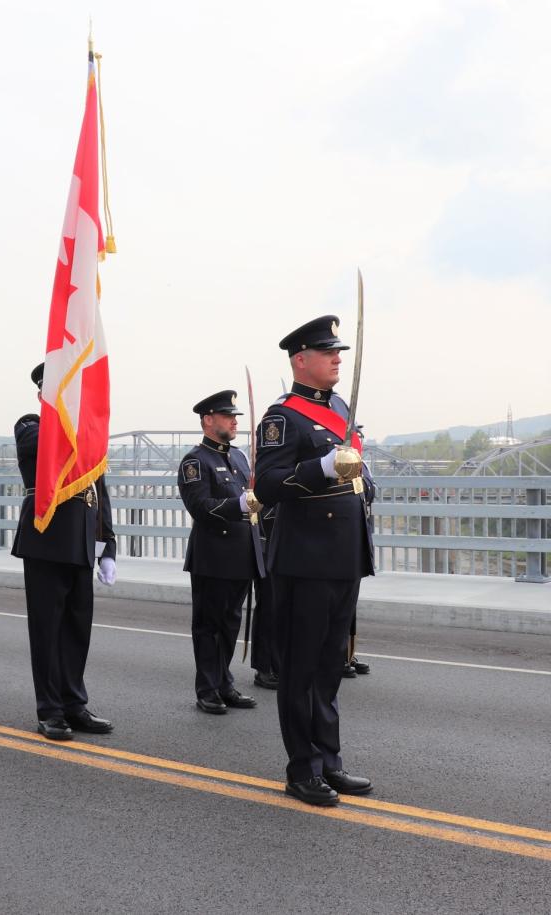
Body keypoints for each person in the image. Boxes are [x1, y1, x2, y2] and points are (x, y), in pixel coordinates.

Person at [253, 315, 375, 807]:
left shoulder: (340, 408)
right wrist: (323, 468)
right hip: (305, 558)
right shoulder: (283, 418)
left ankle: (329, 760)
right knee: (301, 669)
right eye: (328, 353)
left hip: (344, 554)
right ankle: (301, 769)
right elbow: (267, 485)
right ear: (301, 361)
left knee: (330, 667)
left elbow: (354, 472)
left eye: (339, 352)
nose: (338, 359)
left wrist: (362, 476)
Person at [11, 363, 117, 741]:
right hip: (47, 540)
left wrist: (109, 546)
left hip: (82, 543)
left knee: (76, 630)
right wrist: (71, 416)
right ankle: (50, 710)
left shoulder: (85, 433)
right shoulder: (32, 425)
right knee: (47, 630)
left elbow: (99, 492)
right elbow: (45, 449)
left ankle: (75, 703)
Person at [178, 390, 264, 715]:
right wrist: (238, 505)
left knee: (230, 624)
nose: (235, 420)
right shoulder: (195, 461)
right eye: (228, 416)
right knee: (208, 625)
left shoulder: (239, 457)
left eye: (236, 416)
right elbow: (200, 507)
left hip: (241, 555)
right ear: (208, 420)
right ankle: (207, 688)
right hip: (213, 556)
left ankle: (224, 682)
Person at [250, 505, 281, 690]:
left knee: (286, 610)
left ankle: (280, 664)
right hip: (268, 539)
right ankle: (264, 667)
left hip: (290, 541)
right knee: (269, 607)